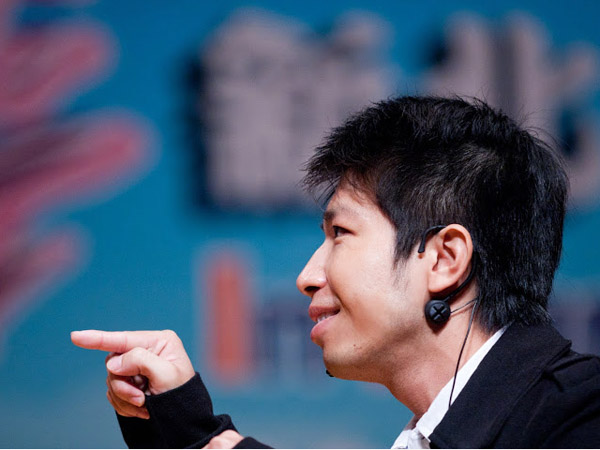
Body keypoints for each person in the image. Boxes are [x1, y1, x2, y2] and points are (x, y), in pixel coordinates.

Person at [72, 96, 600, 448]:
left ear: (444, 259)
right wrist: (189, 432)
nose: (307, 275)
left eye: (340, 233)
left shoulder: (583, 413)